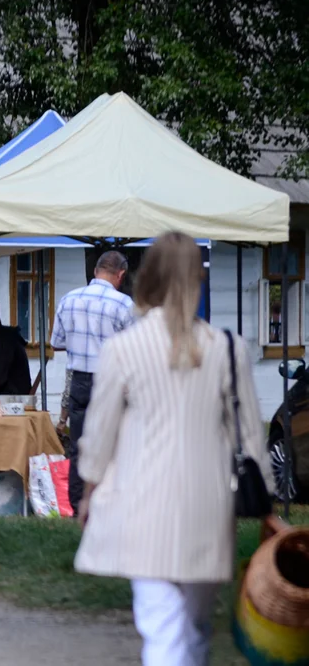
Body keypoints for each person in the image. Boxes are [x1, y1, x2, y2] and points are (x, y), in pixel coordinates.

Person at [74, 232, 272, 666]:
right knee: (197, 627)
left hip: (141, 500)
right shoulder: (228, 348)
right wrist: (269, 503)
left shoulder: (123, 348)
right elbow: (250, 437)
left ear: (147, 278)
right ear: (197, 279)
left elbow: (101, 431)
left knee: (162, 626)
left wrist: (88, 493)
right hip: (209, 500)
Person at [51, 250, 134, 514]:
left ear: (96, 271)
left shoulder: (69, 299)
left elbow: (57, 342)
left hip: (79, 381)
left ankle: (78, 506)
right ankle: (110, 504)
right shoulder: (124, 304)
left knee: (79, 446)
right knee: (114, 445)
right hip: (111, 381)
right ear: (120, 274)